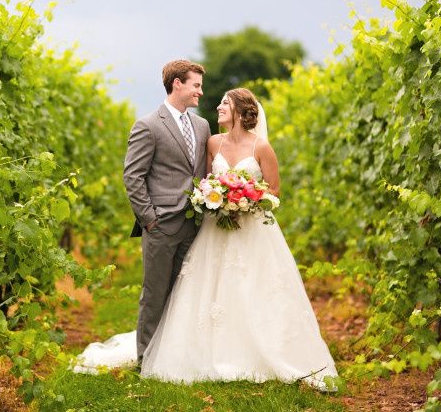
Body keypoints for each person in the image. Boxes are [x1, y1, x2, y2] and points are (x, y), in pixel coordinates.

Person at [140, 88, 337, 390]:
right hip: (215, 229)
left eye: (225, 104)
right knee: (211, 289)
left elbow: (274, 189)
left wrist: (246, 199)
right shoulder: (213, 143)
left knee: (253, 288)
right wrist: (215, 198)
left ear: (242, 112)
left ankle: (258, 351)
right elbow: (206, 181)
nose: (218, 107)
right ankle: (206, 352)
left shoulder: (262, 147)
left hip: (251, 230)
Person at [123, 59, 211, 365]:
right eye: (196, 85)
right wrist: (149, 219)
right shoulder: (148, 125)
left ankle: (177, 355)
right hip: (160, 225)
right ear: (178, 84)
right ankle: (145, 357)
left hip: (194, 223)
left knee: (185, 293)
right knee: (155, 293)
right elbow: (133, 177)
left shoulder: (202, 125)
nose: (200, 91)